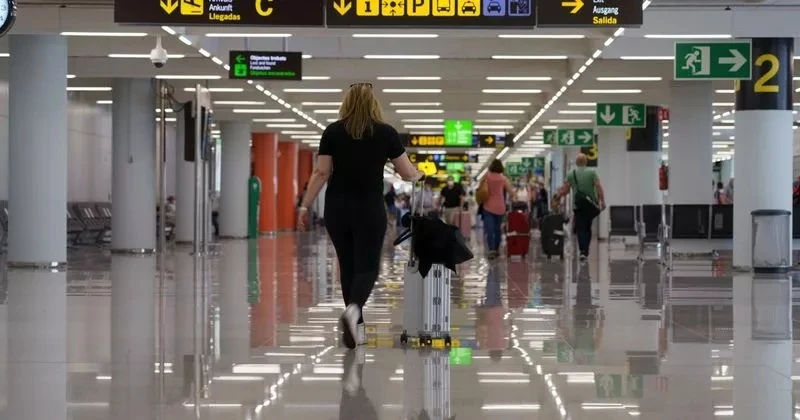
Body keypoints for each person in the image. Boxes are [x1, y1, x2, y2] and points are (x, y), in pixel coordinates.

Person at [297, 82, 423, 350]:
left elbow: (321, 172)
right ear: (374, 105)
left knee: (348, 265)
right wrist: (419, 174)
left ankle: (358, 328)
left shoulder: (332, 131)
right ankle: (354, 310)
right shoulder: (386, 132)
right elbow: (407, 172)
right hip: (369, 208)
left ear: (346, 103)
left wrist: (304, 206)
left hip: (337, 208)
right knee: (368, 266)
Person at [553, 153, 606, 262]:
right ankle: (585, 251)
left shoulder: (571, 174)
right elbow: (599, 187)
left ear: (576, 163)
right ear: (586, 162)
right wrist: (602, 201)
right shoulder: (592, 172)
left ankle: (582, 251)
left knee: (581, 228)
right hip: (591, 205)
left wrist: (558, 197)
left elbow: (566, 190)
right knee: (588, 227)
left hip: (578, 206)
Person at [482, 159, 514, 259]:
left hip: (488, 206)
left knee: (489, 230)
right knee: (497, 229)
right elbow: (511, 192)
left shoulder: (487, 176)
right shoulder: (503, 178)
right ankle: (496, 249)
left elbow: (480, 187)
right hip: (500, 206)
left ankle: (491, 250)